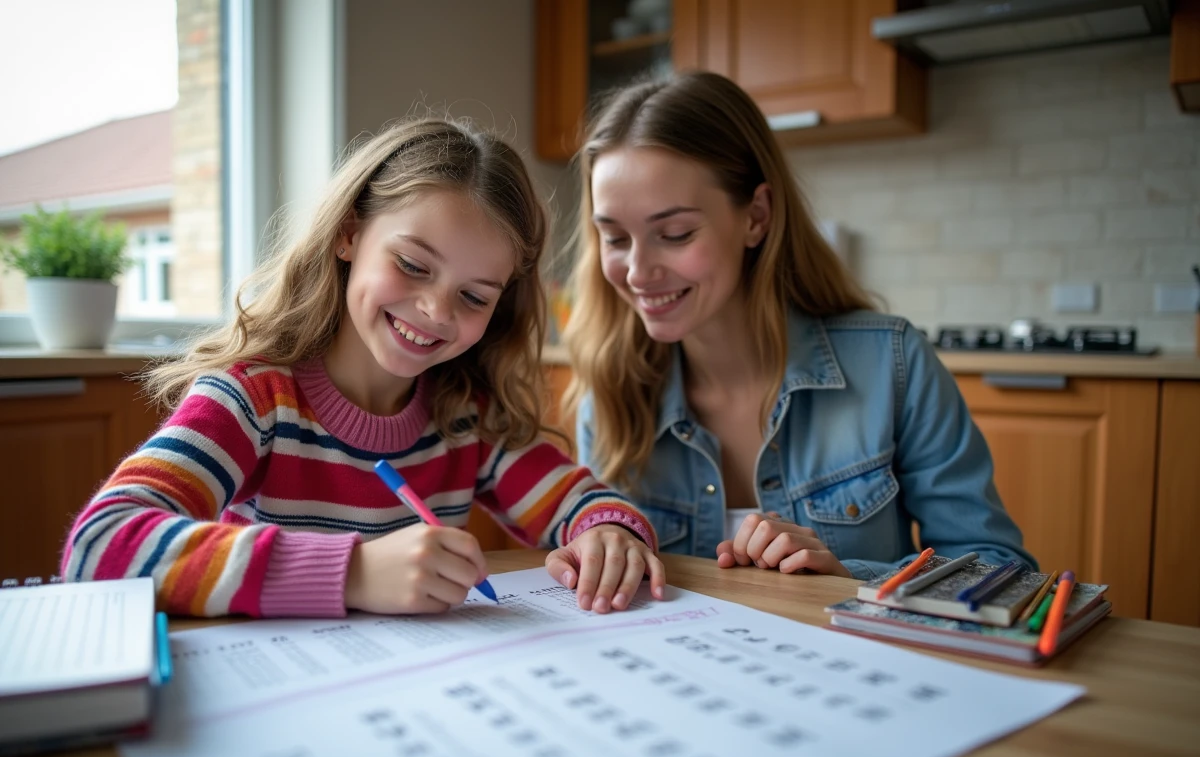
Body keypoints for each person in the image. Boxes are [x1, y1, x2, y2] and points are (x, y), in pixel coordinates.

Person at [63, 117, 664, 618]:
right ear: (349, 234)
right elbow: (99, 545)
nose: (434, 310)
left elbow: (585, 504)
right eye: (412, 264)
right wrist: (352, 573)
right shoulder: (253, 400)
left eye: (475, 297)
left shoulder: (466, 418)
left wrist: (609, 533)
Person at [562, 71, 1036, 580]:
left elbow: (1000, 569)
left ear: (756, 216)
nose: (637, 272)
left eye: (674, 234)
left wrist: (850, 578)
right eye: (614, 238)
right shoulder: (612, 393)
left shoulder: (892, 365)